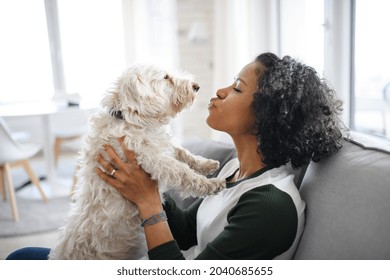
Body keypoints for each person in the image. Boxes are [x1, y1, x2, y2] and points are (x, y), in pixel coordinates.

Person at [6, 52, 343, 260]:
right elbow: (184, 232)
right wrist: (135, 177)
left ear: (269, 115)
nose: (220, 91)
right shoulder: (234, 171)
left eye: (237, 88)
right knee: (21, 257)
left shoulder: (271, 206)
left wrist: (149, 202)